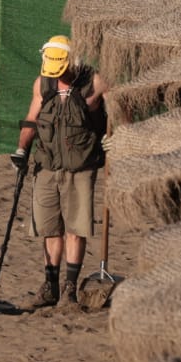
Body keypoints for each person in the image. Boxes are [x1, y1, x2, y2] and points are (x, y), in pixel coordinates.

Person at [11, 35, 109, 311]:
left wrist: (117, 137)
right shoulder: (43, 83)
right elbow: (32, 119)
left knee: (76, 230)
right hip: (47, 166)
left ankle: (70, 291)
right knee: (49, 228)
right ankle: (50, 288)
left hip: (81, 167)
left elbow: (120, 112)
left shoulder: (96, 82)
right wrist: (21, 150)